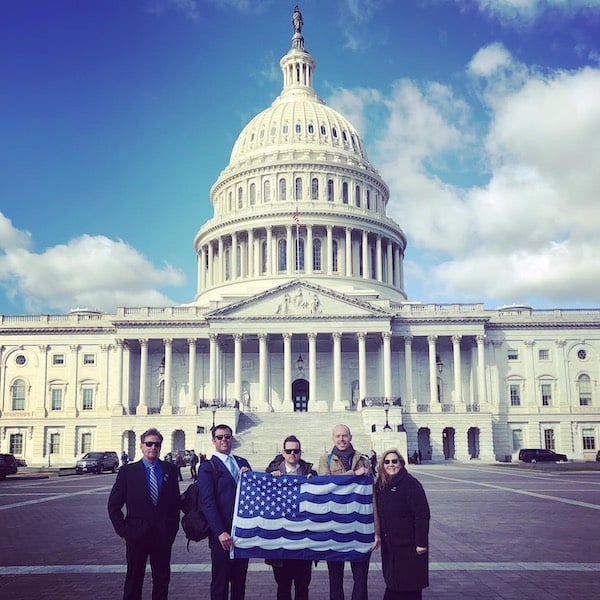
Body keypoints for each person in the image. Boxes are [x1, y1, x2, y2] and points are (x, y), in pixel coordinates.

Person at [107, 428, 180, 600]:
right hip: (136, 534)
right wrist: (124, 530)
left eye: (157, 444)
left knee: (162, 579)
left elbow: (175, 504)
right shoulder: (128, 472)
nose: (153, 447)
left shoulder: (170, 469)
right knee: (134, 579)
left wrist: (172, 529)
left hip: (162, 535)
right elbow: (114, 505)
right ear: (141, 446)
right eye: (149, 443)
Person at [318, 424, 379, 600]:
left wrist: (377, 531)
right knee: (335, 578)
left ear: (350, 437)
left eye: (344, 435)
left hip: (358, 524)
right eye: (338, 436)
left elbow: (372, 497)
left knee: (361, 577)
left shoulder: (364, 460)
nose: (341, 439)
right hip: (334, 525)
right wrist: (355, 473)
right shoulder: (325, 460)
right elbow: (325, 485)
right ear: (333, 438)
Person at [198, 424, 252, 600]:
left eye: (227, 437)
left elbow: (253, 493)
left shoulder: (242, 463)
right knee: (220, 582)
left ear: (232, 439)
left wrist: (249, 476)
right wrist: (220, 531)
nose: (224, 440)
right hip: (222, 534)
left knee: (239, 582)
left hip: (242, 532)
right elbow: (207, 502)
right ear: (213, 440)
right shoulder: (208, 466)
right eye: (220, 437)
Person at [265, 435, 317, 600]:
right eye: (289, 451)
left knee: (303, 588)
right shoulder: (271, 474)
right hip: (281, 543)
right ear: (283, 452)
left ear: (300, 452)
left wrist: (315, 483)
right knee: (283, 587)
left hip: (303, 541)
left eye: (296, 450)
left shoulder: (311, 473)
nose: (292, 453)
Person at [374, 449, 430, 600]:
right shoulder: (382, 485)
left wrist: (421, 543)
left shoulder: (410, 483)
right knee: (395, 583)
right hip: (391, 545)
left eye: (394, 461)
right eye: (387, 462)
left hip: (409, 545)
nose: (391, 465)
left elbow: (422, 514)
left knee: (410, 586)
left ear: (401, 462)